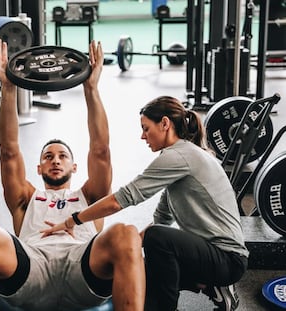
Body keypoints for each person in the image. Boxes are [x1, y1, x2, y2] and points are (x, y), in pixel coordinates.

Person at [0, 39, 145, 311]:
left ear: (75, 167)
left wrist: (90, 88)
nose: (55, 160)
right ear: (39, 169)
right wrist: (8, 88)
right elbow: (9, 151)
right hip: (32, 270)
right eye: (48, 157)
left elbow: (100, 150)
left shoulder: (90, 197)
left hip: (82, 268)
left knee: (127, 233)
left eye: (63, 156)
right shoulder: (25, 198)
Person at [41, 96, 249, 311]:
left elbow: (122, 199)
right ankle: (210, 286)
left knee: (156, 239)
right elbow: (162, 219)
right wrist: (121, 252)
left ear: (165, 124)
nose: (143, 136)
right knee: (143, 271)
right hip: (211, 256)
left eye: (146, 128)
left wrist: (72, 220)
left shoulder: (178, 156)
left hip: (227, 260)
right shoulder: (181, 159)